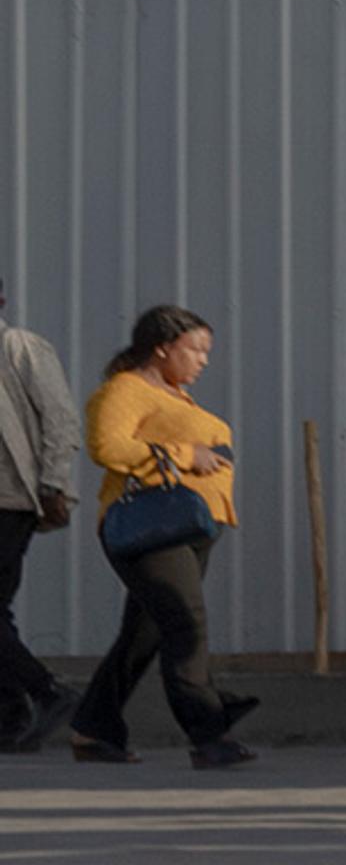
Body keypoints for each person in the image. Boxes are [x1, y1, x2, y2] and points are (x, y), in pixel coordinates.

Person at [70, 306, 257, 768]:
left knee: (144, 635)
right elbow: (106, 447)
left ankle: (93, 728)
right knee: (186, 627)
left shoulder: (175, 396)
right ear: (162, 348)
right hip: (151, 530)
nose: (203, 360)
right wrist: (184, 453)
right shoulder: (124, 390)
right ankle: (208, 733)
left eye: (206, 352)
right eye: (195, 349)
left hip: (190, 529)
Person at [0, 278, 82, 752]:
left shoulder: (20, 347)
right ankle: (11, 716)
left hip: (9, 500)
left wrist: (53, 481)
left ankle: (48, 692)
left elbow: (61, 417)